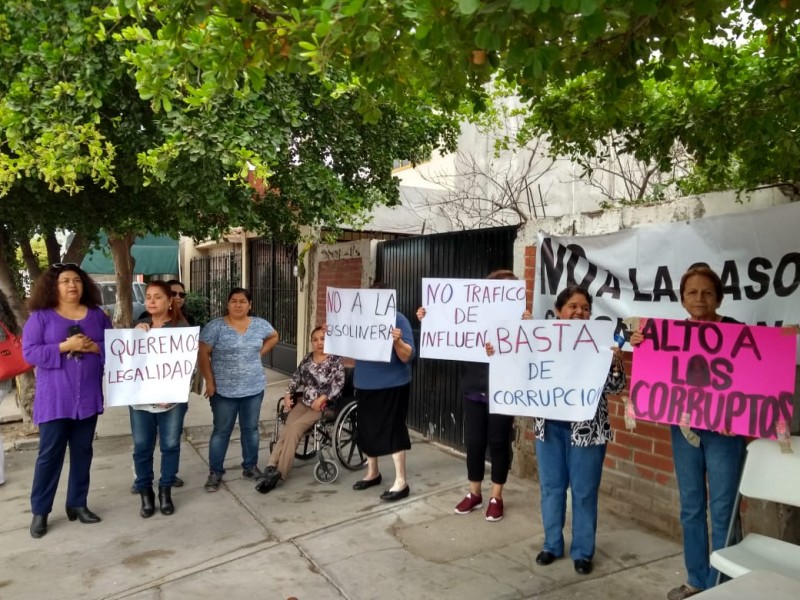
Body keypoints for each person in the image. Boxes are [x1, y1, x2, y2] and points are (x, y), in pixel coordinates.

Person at [489, 284, 624, 575]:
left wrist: (614, 361)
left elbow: (616, 387)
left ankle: (583, 552)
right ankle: (552, 544)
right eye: (573, 306)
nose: (579, 312)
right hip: (549, 428)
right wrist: (498, 351)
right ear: (560, 312)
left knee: (585, 492)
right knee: (551, 489)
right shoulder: (541, 341)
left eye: (585, 308)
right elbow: (517, 369)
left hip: (588, 431)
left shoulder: (602, 344)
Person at [631, 264, 746, 600]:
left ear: (719, 299)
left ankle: (724, 584)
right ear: (682, 300)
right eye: (692, 292)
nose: (700, 298)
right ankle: (697, 579)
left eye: (707, 292)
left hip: (725, 433)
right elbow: (656, 375)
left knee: (724, 508)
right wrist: (641, 345)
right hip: (684, 430)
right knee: (691, 506)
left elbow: (752, 380)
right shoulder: (670, 336)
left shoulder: (738, 332)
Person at [416, 269, 529, 522]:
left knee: (499, 443)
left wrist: (527, 326)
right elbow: (448, 326)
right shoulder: (473, 315)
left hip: (504, 390)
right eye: (500, 290)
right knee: (475, 443)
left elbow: (531, 351)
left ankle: (496, 497)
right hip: (473, 388)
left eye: (510, 291)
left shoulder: (522, 320)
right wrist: (428, 316)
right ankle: (474, 493)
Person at [22, 263, 112, 538]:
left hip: (87, 398)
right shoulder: (41, 317)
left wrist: (94, 346)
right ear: (54, 286)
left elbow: (115, 349)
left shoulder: (97, 316)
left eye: (77, 280)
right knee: (49, 456)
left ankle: (78, 504)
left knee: (83, 452)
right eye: (65, 281)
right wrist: (64, 347)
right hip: (55, 400)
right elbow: (30, 353)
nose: (72, 285)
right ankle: (41, 511)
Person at [198, 288, 279, 492]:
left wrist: (259, 353)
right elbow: (202, 353)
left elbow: (274, 336)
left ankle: (250, 467)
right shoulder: (215, 327)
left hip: (253, 388)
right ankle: (215, 472)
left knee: (250, 429)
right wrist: (209, 381)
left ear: (249, 305)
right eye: (233, 301)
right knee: (221, 431)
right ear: (228, 304)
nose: (237, 305)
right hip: (224, 391)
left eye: (242, 301)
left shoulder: (259, 325)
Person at [256, 326, 345, 493]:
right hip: (304, 403)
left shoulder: (335, 361)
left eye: (323, 339)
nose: (319, 343)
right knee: (288, 427)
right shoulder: (307, 358)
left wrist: (322, 398)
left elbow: (337, 385)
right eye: (316, 339)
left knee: (296, 428)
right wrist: (289, 393)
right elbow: (296, 378)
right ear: (311, 342)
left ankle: (280, 473)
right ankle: (270, 466)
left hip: (323, 406)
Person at [129, 281, 191, 518]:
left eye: (158, 297)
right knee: (142, 447)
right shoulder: (138, 327)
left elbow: (187, 367)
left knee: (170, 445)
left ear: (169, 301)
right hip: (140, 401)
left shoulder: (180, 329)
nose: (152, 301)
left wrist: (173, 391)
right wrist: (135, 337)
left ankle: (165, 490)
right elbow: (127, 364)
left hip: (170, 401)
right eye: (148, 297)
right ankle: (146, 493)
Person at [351, 283, 416, 501]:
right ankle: (373, 472)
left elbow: (407, 356)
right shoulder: (357, 319)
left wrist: (396, 341)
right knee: (367, 429)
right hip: (365, 383)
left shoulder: (399, 319)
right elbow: (346, 351)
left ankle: (401, 482)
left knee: (393, 429)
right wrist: (335, 336)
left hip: (393, 383)